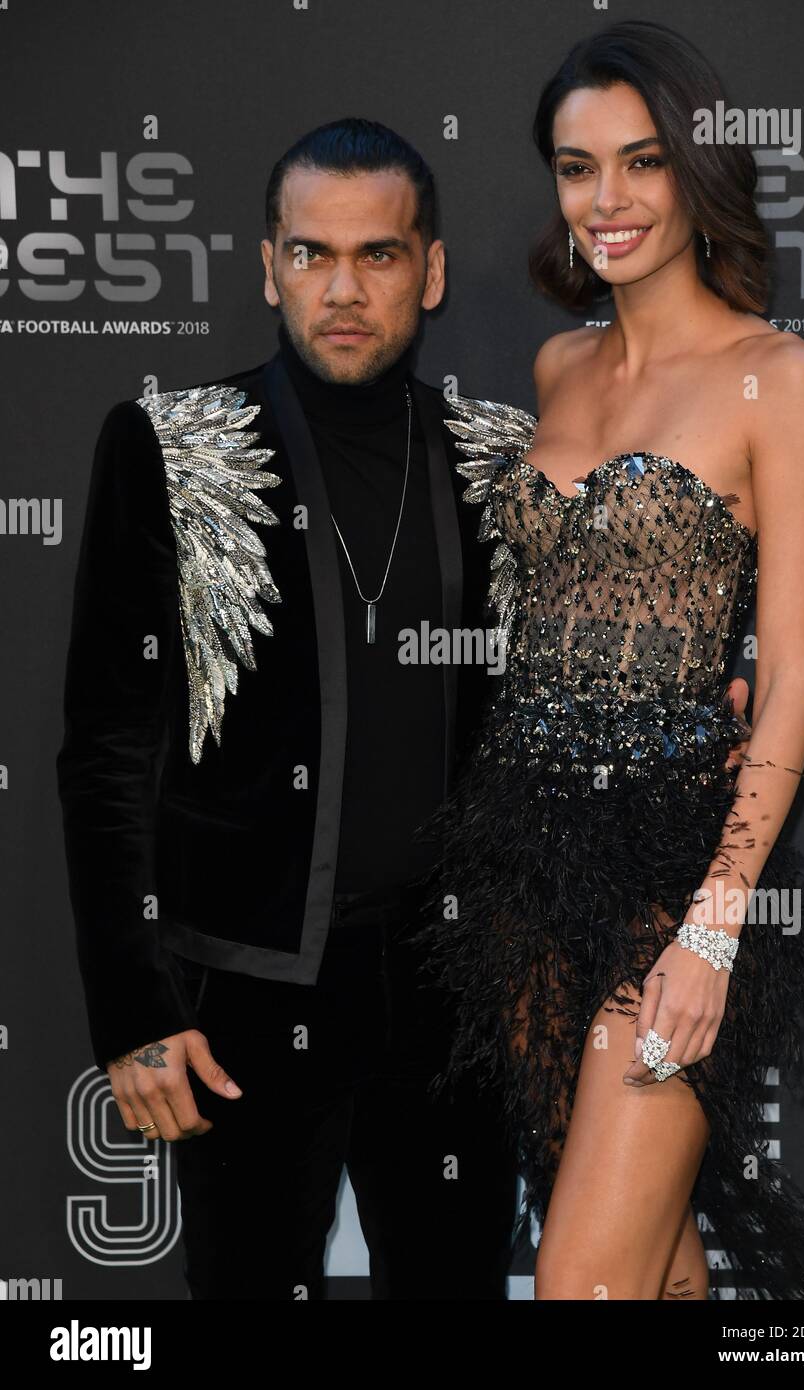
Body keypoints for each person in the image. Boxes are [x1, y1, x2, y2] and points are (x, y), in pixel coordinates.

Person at [410, 21, 804, 1300]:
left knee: (580, 1286)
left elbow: (787, 678)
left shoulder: (779, 380)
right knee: (653, 1271)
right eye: (575, 167)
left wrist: (715, 928)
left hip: (671, 875)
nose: (604, 201)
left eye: (641, 162)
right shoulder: (558, 367)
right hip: (522, 868)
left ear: (696, 174)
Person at [54, 119, 527, 1301]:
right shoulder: (171, 448)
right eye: (311, 254)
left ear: (431, 270)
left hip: (453, 1002)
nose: (343, 289)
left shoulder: (503, 460)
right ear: (268, 268)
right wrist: (132, 1012)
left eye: (377, 254)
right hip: (243, 998)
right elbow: (108, 750)